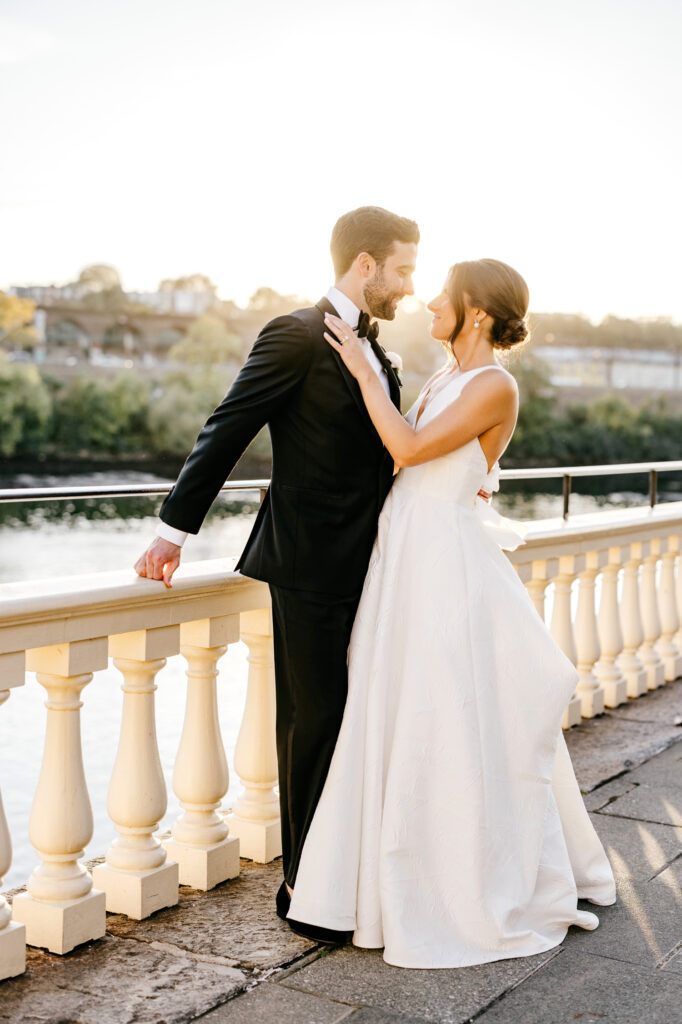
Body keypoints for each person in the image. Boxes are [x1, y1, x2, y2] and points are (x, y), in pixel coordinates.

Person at [286, 258, 617, 968]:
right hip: (406, 558)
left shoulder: (495, 383)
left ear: (478, 311)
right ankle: (382, 881)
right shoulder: (443, 378)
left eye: (444, 294)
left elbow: (405, 449)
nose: (429, 301)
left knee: (444, 715)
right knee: (394, 709)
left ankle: (453, 888)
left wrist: (368, 377)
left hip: (441, 568)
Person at [133, 206, 420, 942]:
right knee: (312, 721)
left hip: (370, 563)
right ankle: (304, 890)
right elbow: (229, 424)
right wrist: (173, 531)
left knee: (350, 722)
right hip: (310, 563)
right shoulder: (295, 333)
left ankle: (338, 876)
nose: (410, 286)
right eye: (404, 270)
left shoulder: (375, 347)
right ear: (365, 264)